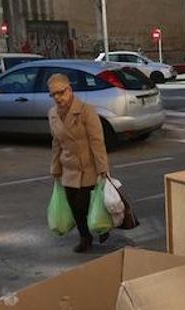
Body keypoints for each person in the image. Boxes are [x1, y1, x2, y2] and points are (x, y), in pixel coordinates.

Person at [47, 72, 110, 253]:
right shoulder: (52, 114)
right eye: (53, 94)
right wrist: (55, 168)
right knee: (74, 207)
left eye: (61, 92)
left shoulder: (86, 111)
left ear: (70, 90)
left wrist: (102, 168)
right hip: (68, 168)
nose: (58, 98)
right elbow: (56, 143)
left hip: (87, 167)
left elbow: (97, 142)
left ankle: (101, 226)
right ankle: (85, 237)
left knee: (87, 204)